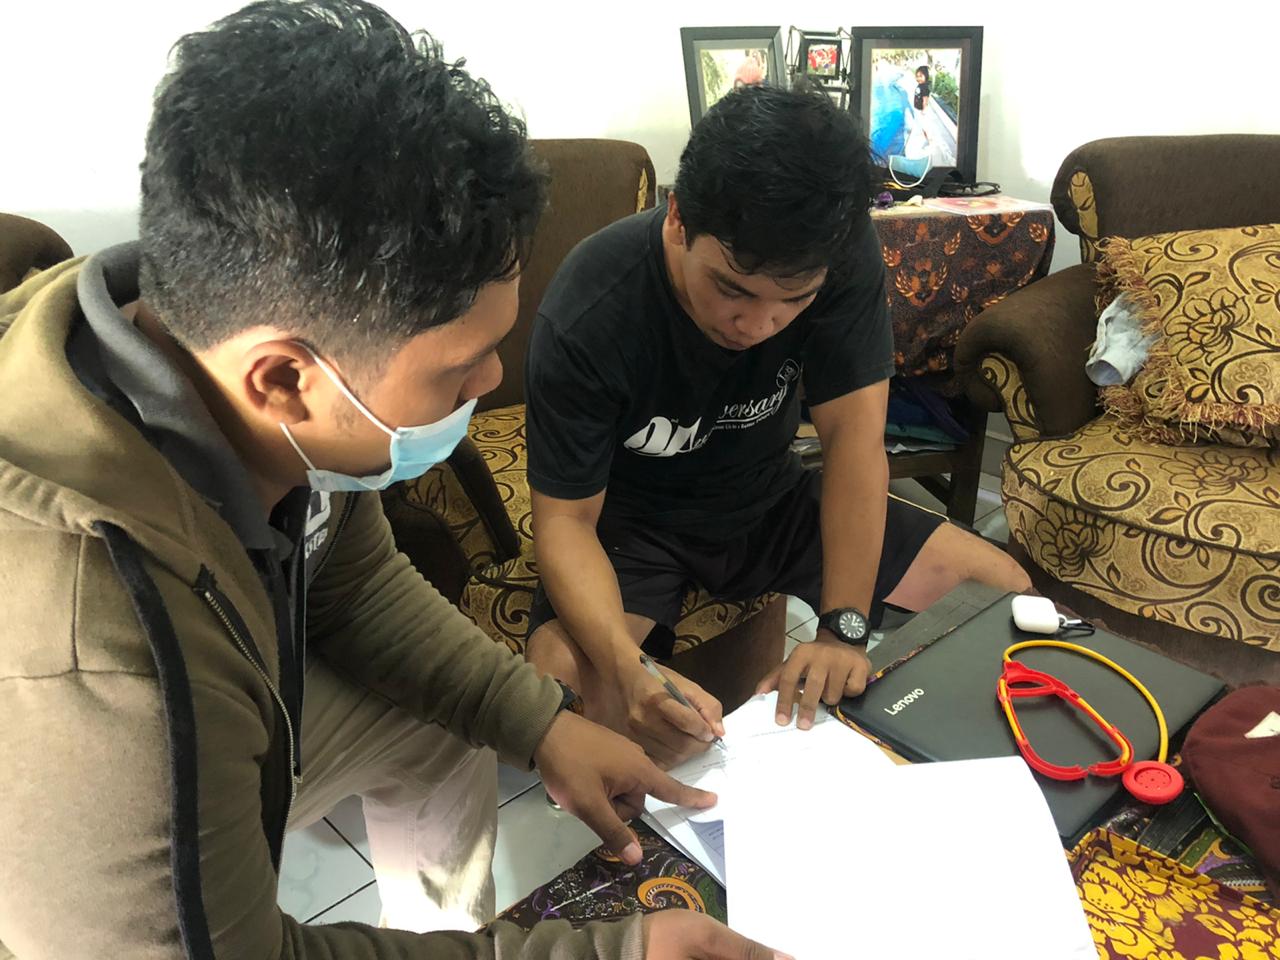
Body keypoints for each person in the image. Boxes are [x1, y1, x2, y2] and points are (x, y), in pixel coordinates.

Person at [0, 3, 785, 958]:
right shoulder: (99, 653)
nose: (492, 383)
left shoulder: (232, 365)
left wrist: (541, 724)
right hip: (79, 832)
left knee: (442, 727)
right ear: (284, 379)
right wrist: (599, 950)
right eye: (459, 368)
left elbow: (356, 583)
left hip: (236, 693)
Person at [523, 84, 1031, 768]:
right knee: (562, 691)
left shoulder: (842, 253)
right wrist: (626, 670)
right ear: (676, 217)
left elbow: (854, 442)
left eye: (793, 300)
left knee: (1005, 596)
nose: (758, 324)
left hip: (772, 500)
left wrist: (843, 630)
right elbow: (565, 522)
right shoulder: (592, 306)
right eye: (731, 289)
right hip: (635, 526)